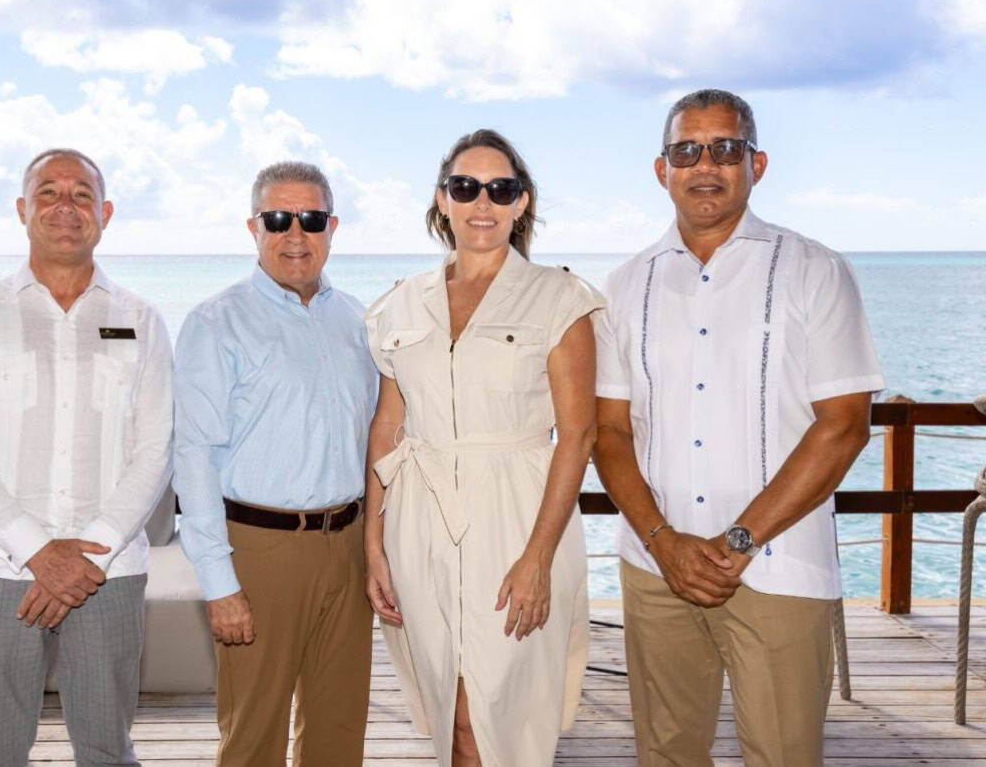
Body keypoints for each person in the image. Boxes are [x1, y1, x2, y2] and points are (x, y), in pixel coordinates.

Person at [592, 89, 885, 766]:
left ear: (757, 163)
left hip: (778, 569)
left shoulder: (817, 270)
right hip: (655, 569)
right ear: (661, 169)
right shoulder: (624, 283)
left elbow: (843, 426)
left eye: (725, 148)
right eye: (686, 149)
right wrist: (664, 543)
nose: (705, 164)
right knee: (666, 753)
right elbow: (609, 432)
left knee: (783, 754)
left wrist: (737, 540)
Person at [364, 129, 603, 766]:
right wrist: (373, 544)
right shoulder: (399, 303)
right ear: (442, 199)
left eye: (501, 189)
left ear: (521, 203)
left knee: (504, 713)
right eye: (466, 187)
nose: (482, 203)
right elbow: (389, 424)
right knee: (449, 710)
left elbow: (577, 434)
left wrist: (539, 558)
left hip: (519, 517)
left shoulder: (561, 299)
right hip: (419, 522)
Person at [0, 148, 174, 766]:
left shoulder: (141, 319)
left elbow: (156, 449)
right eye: (48, 192)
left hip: (108, 574)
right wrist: (39, 554)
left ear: (105, 213)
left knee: (107, 750)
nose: (65, 207)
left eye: (82, 194)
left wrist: (85, 552)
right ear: (22, 209)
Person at [172, 161, 378, 767]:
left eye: (311, 219)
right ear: (253, 227)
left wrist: (379, 552)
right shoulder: (216, 322)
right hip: (258, 551)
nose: (295, 234)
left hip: (348, 544)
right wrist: (219, 583)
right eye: (278, 219)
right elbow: (194, 455)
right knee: (253, 738)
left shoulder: (356, 320)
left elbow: (379, 440)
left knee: (339, 732)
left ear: (332, 227)